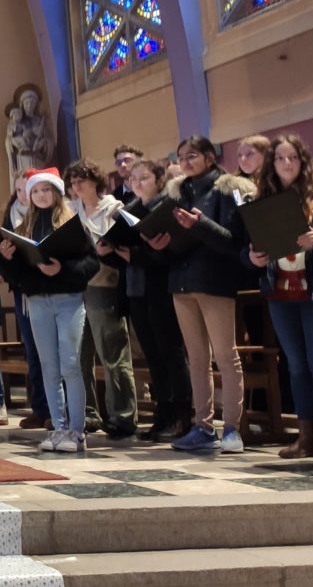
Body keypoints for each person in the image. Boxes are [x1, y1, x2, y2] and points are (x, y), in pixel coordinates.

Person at [244, 135, 313, 462]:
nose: (287, 163)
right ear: (272, 164)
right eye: (280, 158)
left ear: (303, 161)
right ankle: (306, 438)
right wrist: (252, 258)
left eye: (293, 157)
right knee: (295, 365)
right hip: (279, 292)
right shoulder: (262, 200)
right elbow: (244, 247)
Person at [146, 136, 255, 454]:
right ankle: (203, 426)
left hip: (215, 279)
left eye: (192, 155)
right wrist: (160, 247)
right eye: (180, 157)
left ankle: (233, 428)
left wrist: (200, 224)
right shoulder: (177, 192)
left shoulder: (228, 188)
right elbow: (174, 243)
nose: (185, 161)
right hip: (181, 281)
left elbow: (234, 241)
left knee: (225, 356)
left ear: (210, 157)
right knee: (196, 359)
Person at [0, 168, 100, 453]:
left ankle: (77, 431)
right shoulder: (23, 229)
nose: (42, 195)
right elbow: (16, 274)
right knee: (48, 367)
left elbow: (92, 263)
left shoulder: (72, 223)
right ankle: (57, 428)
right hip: (38, 302)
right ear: (30, 196)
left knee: (70, 364)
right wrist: (6, 260)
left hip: (68, 299)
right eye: (36, 191)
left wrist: (61, 269)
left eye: (47, 190)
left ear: (56, 193)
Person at [115, 160, 193, 442]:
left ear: (159, 179)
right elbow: (122, 252)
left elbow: (173, 253)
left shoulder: (168, 207)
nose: (137, 182)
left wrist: (136, 255)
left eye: (144, 177)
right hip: (137, 289)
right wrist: (108, 249)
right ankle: (163, 415)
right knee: (152, 356)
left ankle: (183, 415)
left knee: (171, 352)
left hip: (164, 287)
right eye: (133, 178)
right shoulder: (130, 212)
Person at [66, 158, 137, 439]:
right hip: (75, 285)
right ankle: (87, 413)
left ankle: (122, 415)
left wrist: (107, 244)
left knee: (113, 352)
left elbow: (126, 241)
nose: (76, 185)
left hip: (105, 283)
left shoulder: (114, 209)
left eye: (81, 179)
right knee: (79, 355)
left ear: (96, 180)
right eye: (72, 181)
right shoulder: (70, 211)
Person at [0, 173, 51, 430]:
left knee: (50, 353)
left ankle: (56, 410)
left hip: (47, 289)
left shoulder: (46, 218)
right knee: (32, 351)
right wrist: (6, 258)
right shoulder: (11, 218)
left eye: (26, 189)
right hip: (23, 292)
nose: (22, 195)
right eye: (18, 190)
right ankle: (40, 408)